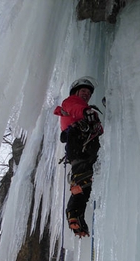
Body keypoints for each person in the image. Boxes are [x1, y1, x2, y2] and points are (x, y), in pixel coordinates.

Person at [54, 77, 103, 237]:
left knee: (86, 185)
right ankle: (73, 211)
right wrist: (85, 111)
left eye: (88, 93)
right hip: (79, 146)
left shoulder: (85, 111)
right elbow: (75, 108)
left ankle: (77, 215)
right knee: (83, 178)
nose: (86, 95)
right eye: (83, 91)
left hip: (85, 149)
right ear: (76, 92)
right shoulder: (71, 102)